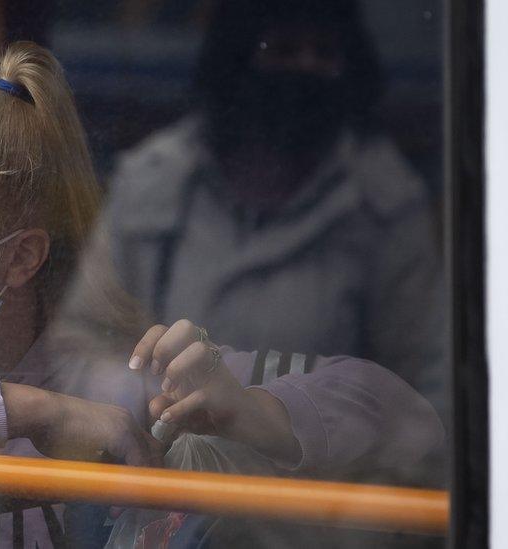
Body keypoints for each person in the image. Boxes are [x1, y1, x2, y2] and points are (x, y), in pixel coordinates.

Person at [0, 41, 442, 548]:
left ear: (21, 258)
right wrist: (29, 411)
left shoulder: (107, 366)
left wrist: (255, 412)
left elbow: (405, 414)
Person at [90, 0, 448, 421]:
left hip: (312, 481)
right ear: (237, 57)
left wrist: (311, 437)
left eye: (324, 53)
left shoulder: (383, 203)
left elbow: (430, 393)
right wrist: (140, 401)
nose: (304, 68)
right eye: (282, 50)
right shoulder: (154, 180)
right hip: (162, 470)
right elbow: (81, 343)